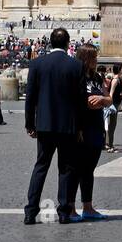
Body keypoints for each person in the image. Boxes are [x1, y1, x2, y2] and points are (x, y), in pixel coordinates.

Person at [24, 27, 84, 225]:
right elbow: (80, 100)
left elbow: (30, 98)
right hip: (68, 126)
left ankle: (30, 211)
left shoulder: (37, 64)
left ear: (50, 43)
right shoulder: (76, 65)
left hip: (44, 125)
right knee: (66, 168)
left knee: (40, 166)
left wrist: (29, 124)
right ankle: (64, 212)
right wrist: (80, 127)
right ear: (68, 43)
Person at [73, 44, 113, 222]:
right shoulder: (77, 76)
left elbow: (109, 98)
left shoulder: (97, 77)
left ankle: (88, 207)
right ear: (86, 59)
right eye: (94, 58)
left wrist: (102, 99)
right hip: (82, 128)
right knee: (76, 169)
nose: (97, 61)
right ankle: (70, 207)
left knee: (89, 170)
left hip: (96, 127)